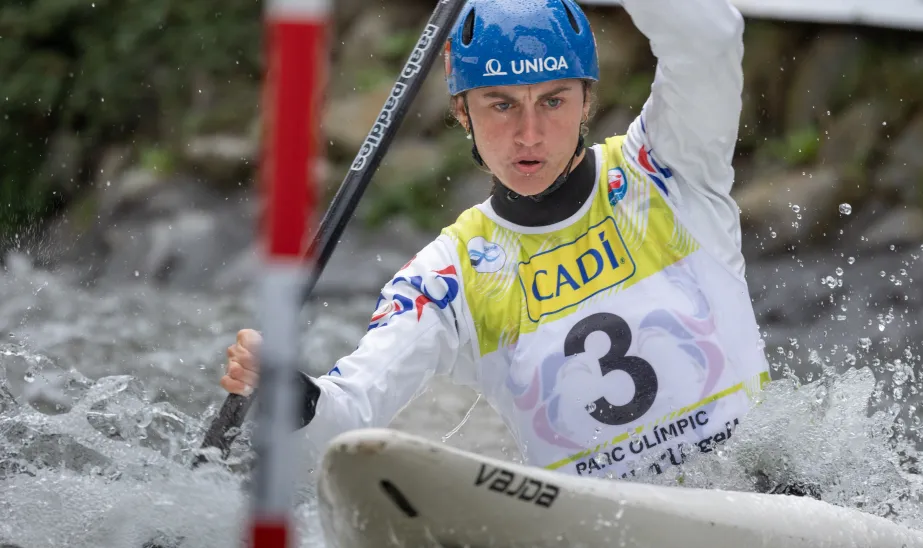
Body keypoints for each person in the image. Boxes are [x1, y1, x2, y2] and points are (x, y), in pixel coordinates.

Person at [222, 0, 771, 482]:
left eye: (553, 101)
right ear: (462, 111)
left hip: (759, 485)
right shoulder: (448, 276)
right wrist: (294, 397)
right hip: (597, 532)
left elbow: (711, 36)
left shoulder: (669, 168)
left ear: (588, 101)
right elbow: (349, 417)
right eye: (501, 104)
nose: (528, 134)